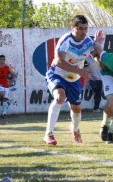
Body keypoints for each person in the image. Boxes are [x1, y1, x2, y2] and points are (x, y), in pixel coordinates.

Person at [43, 15, 103, 146]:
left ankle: (74, 129)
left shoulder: (88, 41)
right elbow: (59, 61)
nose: (83, 31)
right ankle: (49, 134)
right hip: (57, 74)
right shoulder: (66, 40)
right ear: (72, 28)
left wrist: (98, 44)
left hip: (74, 78)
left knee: (76, 108)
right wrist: (80, 71)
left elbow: (96, 58)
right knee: (59, 96)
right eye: (80, 28)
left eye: (86, 29)